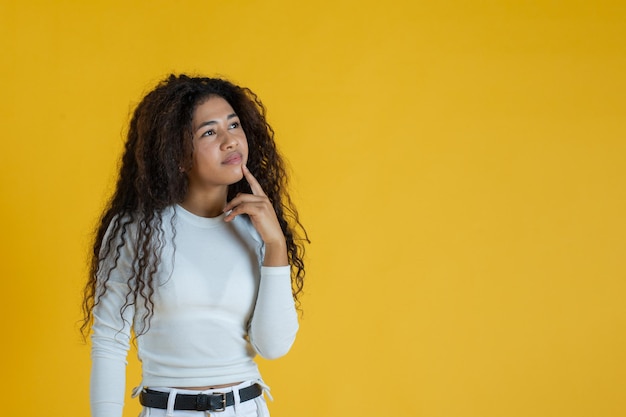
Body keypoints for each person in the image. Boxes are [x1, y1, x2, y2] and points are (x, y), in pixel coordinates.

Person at [81, 74, 307, 417]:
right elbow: (109, 342)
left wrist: (275, 245)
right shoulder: (136, 229)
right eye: (210, 132)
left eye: (234, 125)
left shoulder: (258, 229)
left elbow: (273, 346)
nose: (230, 140)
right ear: (179, 155)